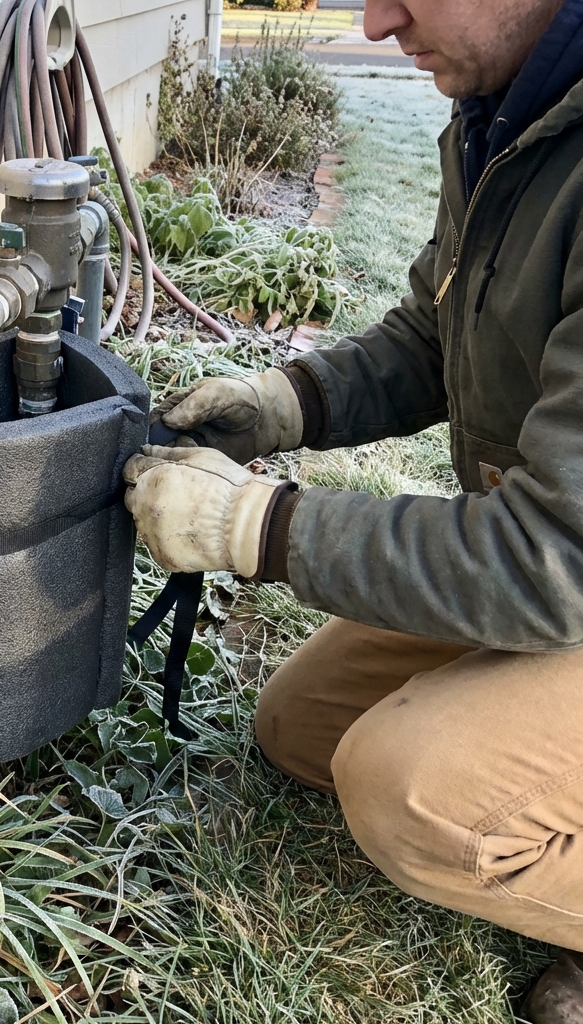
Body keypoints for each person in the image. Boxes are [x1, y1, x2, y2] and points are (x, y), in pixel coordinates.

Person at [123, 0, 583, 1018]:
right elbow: (434, 335)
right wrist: (284, 403)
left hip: (568, 564)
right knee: (304, 727)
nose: (376, 22)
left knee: (410, 794)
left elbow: (556, 559)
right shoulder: (516, 111)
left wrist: (255, 526)